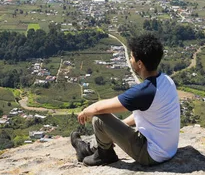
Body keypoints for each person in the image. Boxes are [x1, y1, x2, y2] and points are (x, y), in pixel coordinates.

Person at [71, 32, 180, 166]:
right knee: (107, 126)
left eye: (132, 56)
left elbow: (99, 108)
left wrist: (86, 111)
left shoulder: (145, 91)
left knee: (99, 118)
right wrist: (114, 131)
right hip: (168, 149)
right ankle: (88, 148)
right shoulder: (166, 81)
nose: (130, 59)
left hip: (150, 154)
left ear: (140, 63)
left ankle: (105, 155)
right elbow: (145, 116)